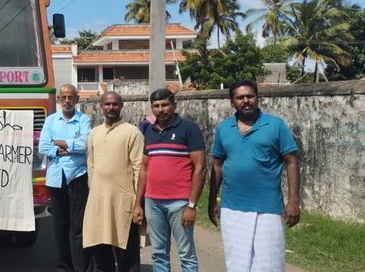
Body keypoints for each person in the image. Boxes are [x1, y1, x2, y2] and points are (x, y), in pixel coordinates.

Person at [208, 80, 301, 272]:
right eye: (240, 97)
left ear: (257, 98)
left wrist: (293, 201)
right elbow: (217, 165)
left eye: (250, 96)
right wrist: (211, 201)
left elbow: (291, 161)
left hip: (267, 208)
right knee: (237, 264)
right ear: (232, 102)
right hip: (232, 208)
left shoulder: (275, 125)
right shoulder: (224, 128)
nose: (246, 101)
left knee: (269, 264)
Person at [133, 88, 205, 272]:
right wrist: (138, 204)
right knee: (158, 253)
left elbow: (200, 168)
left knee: (186, 254)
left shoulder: (189, 128)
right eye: (156, 106)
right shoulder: (149, 130)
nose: (160, 109)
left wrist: (191, 205)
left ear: (174, 105)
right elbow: (144, 168)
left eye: (165, 105)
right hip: (152, 202)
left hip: (179, 203)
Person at [83, 92, 144, 272]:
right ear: (101, 106)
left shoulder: (132, 132)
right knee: (100, 255)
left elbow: (139, 169)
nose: (111, 108)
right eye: (107, 104)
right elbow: (91, 165)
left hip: (123, 202)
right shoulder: (94, 133)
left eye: (115, 104)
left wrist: (138, 203)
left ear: (121, 106)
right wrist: (94, 192)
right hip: (98, 202)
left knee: (126, 255)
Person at [39, 84, 92, 272]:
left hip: (78, 177)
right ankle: (65, 267)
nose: (67, 101)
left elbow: (85, 144)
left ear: (77, 99)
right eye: (64, 98)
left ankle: (83, 268)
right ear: (59, 100)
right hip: (56, 179)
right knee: (60, 227)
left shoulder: (84, 120)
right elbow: (43, 147)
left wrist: (61, 144)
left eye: (71, 97)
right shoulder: (51, 120)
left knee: (79, 227)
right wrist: (68, 148)